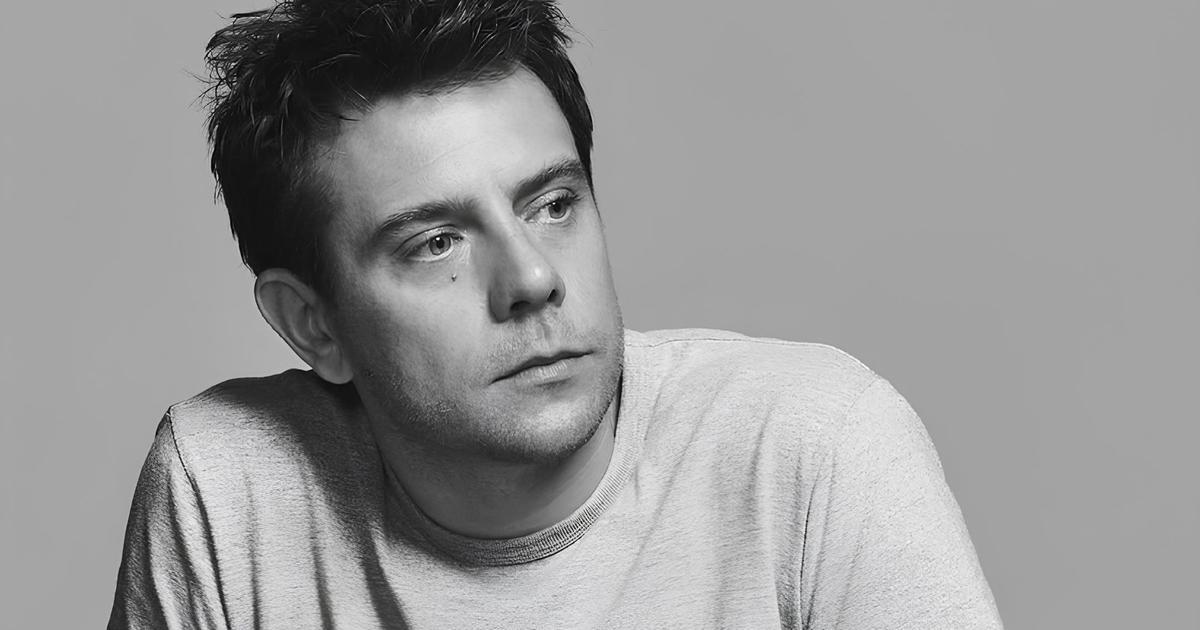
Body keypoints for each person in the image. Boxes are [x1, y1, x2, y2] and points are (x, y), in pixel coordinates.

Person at [108, 0, 1003, 627]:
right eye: (436, 243)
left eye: (553, 205)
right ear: (314, 325)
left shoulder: (815, 448)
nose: (533, 278)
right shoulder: (227, 487)